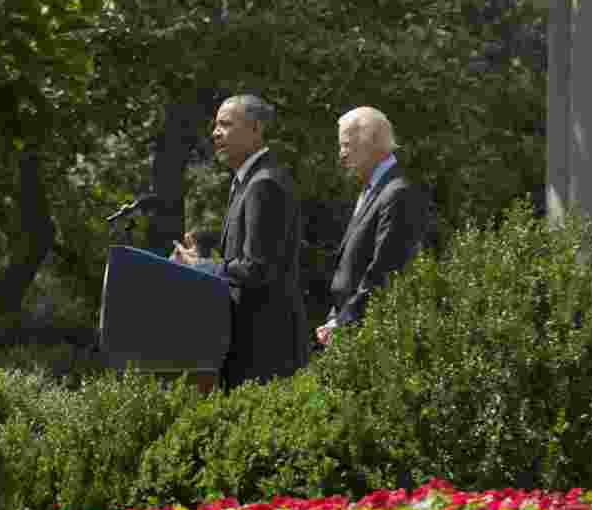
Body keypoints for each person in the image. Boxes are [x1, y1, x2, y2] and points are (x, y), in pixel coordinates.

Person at [172, 94, 309, 387]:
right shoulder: (247, 182)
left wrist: (204, 267)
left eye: (226, 124)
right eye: (215, 126)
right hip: (249, 344)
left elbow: (256, 268)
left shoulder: (265, 184)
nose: (215, 133)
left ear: (256, 129)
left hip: (265, 349)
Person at [316, 106, 429, 346]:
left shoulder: (397, 193)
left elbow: (386, 269)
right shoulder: (372, 191)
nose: (341, 155)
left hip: (373, 334)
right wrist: (335, 318)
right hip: (351, 328)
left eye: (346, 145)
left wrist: (345, 322)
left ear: (371, 142)